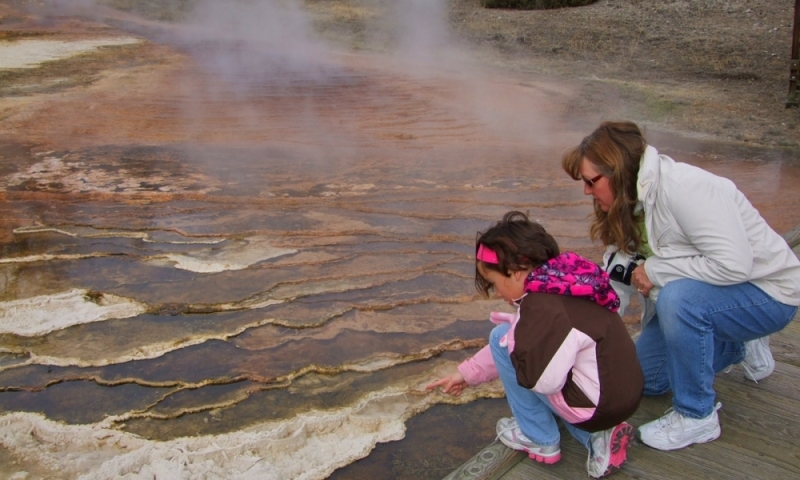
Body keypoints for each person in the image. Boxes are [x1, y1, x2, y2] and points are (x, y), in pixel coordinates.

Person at [561, 121, 800, 451]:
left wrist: (655, 271)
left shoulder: (686, 188)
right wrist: (574, 340)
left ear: (616, 171)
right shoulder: (630, 206)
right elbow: (616, 281)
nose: (587, 191)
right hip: (713, 295)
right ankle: (737, 345)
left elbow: (734, 265)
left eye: (591, 181)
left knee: (677, 300)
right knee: (644, 379)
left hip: (769, 293)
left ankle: (696, 415)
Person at [427, 211, 643, 478]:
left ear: (516, 273)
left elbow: (541, 381)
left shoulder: (542, 309)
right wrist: (467, 374)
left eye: (494, 283)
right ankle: (598, 438)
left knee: (510, 348)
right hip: (624, 392)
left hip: (595, 406)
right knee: (507, 339)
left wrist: (518, 348)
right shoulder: (568, 281)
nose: (495, 292)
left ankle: (539, 438)